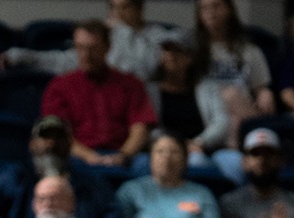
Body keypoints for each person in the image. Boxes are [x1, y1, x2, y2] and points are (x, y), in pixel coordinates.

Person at [42, 20, 156, 168]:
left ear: (107, 47)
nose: (86, 55)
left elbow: (140, 128)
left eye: (92, 48)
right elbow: (59, 133)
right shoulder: (59, 86)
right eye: (80, 48)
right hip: (78, 157)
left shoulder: (131, 84)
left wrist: (123, 155)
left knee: (147, 163)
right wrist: (89, 157)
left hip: (124, 155)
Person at [0, 0, 177, 81]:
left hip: (139, 106)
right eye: (114, 8)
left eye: (125, 7)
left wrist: (125, 31)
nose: (119, 14)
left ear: (139, 9)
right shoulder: (101, 40)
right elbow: (62, 61)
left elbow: (148, 69)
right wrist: (20, 55)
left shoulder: (158, 35)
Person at [152, 32, 244, 182]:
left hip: (207, 147)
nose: (171, 55)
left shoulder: (207, 87)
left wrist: (199, 142)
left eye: (177, 50)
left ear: (190, 57)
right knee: (196, 161)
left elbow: (221, 121)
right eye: (167, 50)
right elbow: (150, 127)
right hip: (168, 149)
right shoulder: (151, 90)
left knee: (236, 161)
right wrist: (177, 147)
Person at [193, 0, 275, 118]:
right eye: (204, 8)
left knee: (235, 112)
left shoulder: (249, 49)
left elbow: (261, 87)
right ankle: (259, 126)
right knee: (229, 95)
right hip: (207, 109)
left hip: (241, 107)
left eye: (216, 6)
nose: (211, 13)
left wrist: (265, 94)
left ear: (229, 9)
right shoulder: (192, 48)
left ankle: (258, 128)